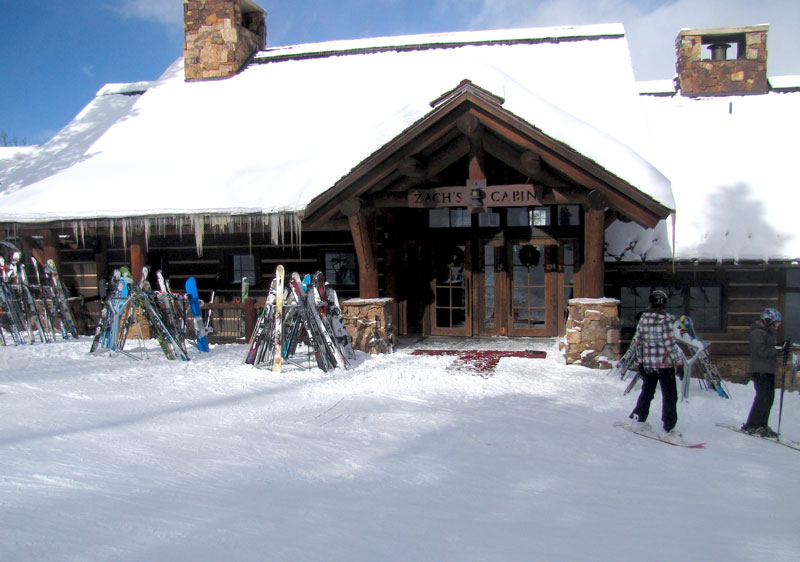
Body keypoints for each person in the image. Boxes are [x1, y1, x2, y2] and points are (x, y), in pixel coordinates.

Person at [628, 289, 685, 436]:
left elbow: (637, 343)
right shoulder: (665, 321)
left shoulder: (643, 319)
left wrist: (641, 362)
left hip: (648, 365)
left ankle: (638, 418)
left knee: (647, 392)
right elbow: (670, 344)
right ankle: (668, 427)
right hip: (664, 365)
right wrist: (679, 363)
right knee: (670, 396)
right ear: (664, 304)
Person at [742, 308, 791, 438]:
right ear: (769, 320)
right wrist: (778, 348)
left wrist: (781, 347)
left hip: (768, 370)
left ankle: (762, 424)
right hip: (760, 371)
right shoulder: (757, 333)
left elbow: (771, 348)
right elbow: (762, 351)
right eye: (776, 323)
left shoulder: (768, 333)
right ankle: (752, 424)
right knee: (762, 398)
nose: (776, 326)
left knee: (769, 399)